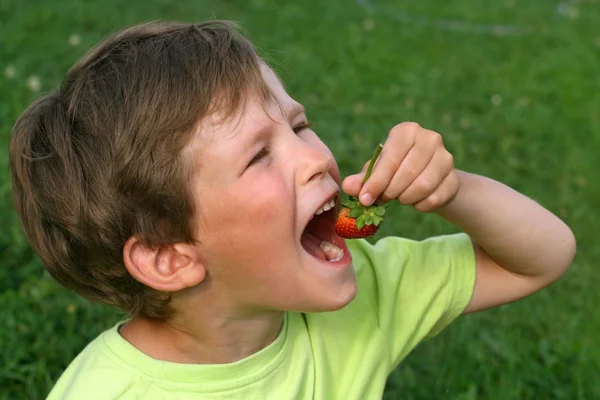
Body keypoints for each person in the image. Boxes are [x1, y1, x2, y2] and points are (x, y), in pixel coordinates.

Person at [8, 20, 576, 400]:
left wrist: (455, 192)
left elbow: (542, 258)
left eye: (299, 125)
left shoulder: (366, 291)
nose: (314, 157)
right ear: (168, 257)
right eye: (259, 156)